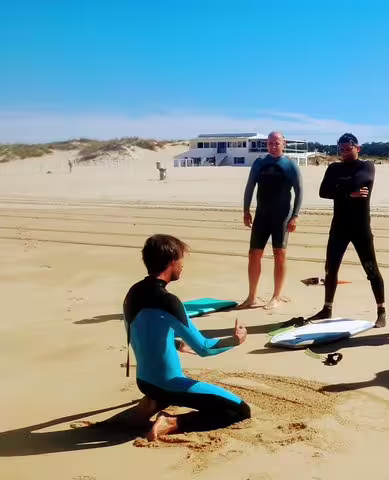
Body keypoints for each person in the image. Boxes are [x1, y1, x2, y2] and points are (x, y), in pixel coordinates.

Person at [122, 234, 251, 441]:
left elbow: (138, 333)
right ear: (172, 261)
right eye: (181, 260)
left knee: (167, 390)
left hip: (144, 381)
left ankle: (153, 402)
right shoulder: (169, 302)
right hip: (168, 384)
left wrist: (176, 343)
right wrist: (235, 340)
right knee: (240, 411)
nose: (183, 266)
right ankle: (170, 422)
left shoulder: (132, 293)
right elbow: (204, 348)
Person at [307, 133, 386, 327]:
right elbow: (323, 192)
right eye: (341, 150)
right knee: (331, 268)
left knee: (371, 269)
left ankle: (381, 310)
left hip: (360, 227)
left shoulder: (367, 166)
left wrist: (340, 187)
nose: (344, 153)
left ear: (357, 148)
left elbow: (361, 181)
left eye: (348, 149)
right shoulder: (334, 167)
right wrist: (351, 193)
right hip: (339, 226)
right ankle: (327, 309)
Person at [241, 131, 303, 310]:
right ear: (266, 145)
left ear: (284, 144)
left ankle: (276, 296)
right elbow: (250, 187)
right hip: (261, 215)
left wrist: (295, 216)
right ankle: (252, 297)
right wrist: (246, 210)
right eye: (270, 143)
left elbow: (299, 192)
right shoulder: (259, 163)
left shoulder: (290, 165)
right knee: (254, 254)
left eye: (277, 143)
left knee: (279, 254)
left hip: (282, 216)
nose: (273, 146)